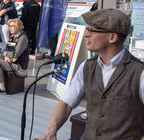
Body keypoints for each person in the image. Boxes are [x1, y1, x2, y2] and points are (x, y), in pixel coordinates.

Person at [35, 9, 144, 140]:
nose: (86, 34)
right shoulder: (86, 67)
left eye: (92, 30)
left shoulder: (139, 72)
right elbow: (66, 104)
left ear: (112, 37)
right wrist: (50, 131)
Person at [0, 19, 29, 94]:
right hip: (10, 62)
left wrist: (6, 55)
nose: (10, 28)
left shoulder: (22, 38)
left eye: (12, 26)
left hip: (19, 66)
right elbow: (3, 52)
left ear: (18, 27)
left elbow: (15, 54)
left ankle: (2, 87)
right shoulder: (12, 37)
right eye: (9, 26)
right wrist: (5, 57)